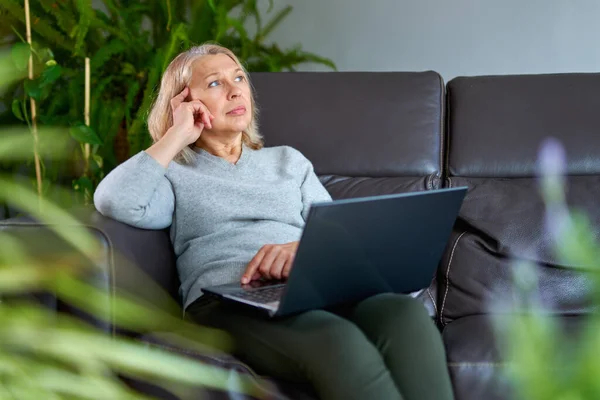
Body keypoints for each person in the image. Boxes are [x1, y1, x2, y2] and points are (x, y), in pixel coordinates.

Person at [94, 43, 454, 400]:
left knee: (403, 313)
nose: (236, 89)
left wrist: (301, 250)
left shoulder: (288, 161)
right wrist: (176, 136)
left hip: (312, 287)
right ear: (185, 103)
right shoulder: (172, 171)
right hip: (227, 301)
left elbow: (341, 238)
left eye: (238, 77)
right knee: (336, 340)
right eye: (216, 83)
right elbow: (115, 200)